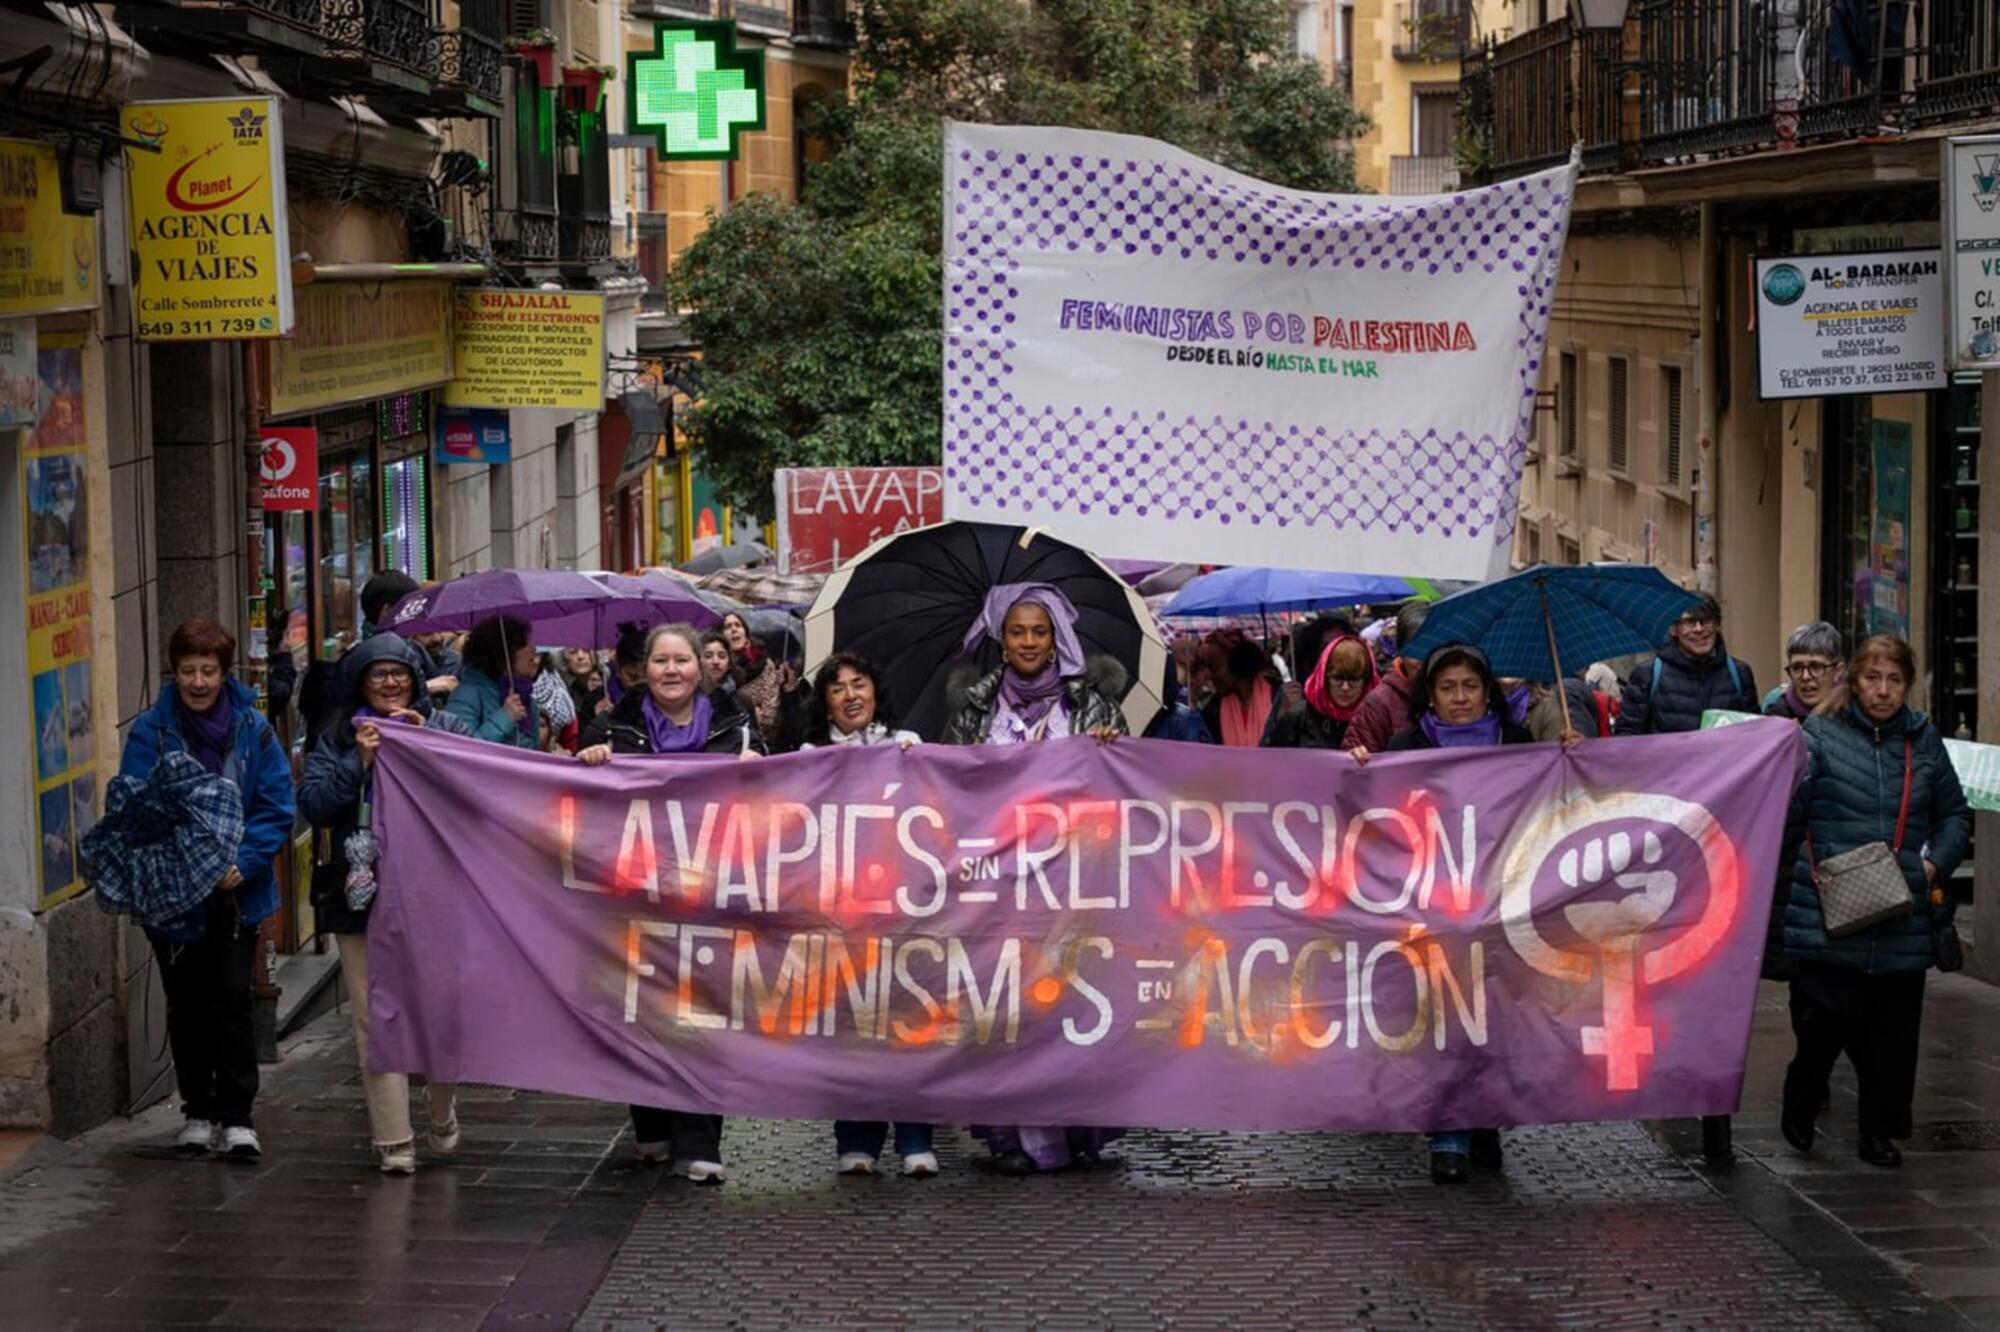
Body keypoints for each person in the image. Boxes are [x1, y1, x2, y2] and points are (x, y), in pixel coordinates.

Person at [942, 585, 1125, 1174]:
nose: (1028, 642)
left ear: (1056, 640)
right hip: (998, 891)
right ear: (1002, 639)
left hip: (1070, 885)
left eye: (1039, 632)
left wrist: (1108, 748)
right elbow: (946, 792)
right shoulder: (973, 710)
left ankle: (1071, 1129)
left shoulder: (1090, 705)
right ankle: (1010, 1138)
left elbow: (1123, 788)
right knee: (1004, 1010)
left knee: (1064, 1006)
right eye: (1017, 632)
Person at [578, 624, 766, 1181]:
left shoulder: (736, 723)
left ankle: (700, 1143)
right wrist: (589, 758)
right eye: (660, 661)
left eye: (681, 660)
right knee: (644, 1012)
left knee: (703, 1018)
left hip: (712, 896)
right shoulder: (614, 723)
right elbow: (575, 797)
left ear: (703, 667)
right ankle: (653, 1126)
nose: (671, 670)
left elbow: (780, 791)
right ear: (646, 668)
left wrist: (760, 767)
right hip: (638, 897)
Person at [1776, 636, 1970, 1169]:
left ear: (1908, 685)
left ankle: (1878, 1133)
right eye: (1872, 679)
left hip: (1902, 906)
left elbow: (1955, 815)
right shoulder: (1819, 734)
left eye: (1895, 681)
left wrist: (1935, 864)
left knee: (1892, 1032)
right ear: (1854, 680)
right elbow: (1789, 814)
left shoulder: (1923, 739)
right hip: (1829, 906)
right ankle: (1801, 1093)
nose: (1883, 691)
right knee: (1824, 1019)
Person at [117, 619, 295, 1160]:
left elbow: (276, 803)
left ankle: (238, 1116)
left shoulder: (252, 728)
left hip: (237, 892)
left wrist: (243, 860)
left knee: (232, 999)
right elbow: (135, 804)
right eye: (189, 671)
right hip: (175, 894)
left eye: (209, 671)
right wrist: (182, 855)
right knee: (186, 1001)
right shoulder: (152, 730)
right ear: (176, 672)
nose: (198, 682)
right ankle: (197, 1109)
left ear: (225, 672)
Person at [1358, 642, 1534, 1185]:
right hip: (1433, 910)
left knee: (1491, 1023)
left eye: (1470, 687)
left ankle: (1484, 1123)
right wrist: (1363, 770)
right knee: (1443, 1022)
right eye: (1448, 688)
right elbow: (1377, 816)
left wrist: (1569, 756)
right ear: (1430, 695)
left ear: (1488, 693)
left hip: (1501, 905)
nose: (1460, 699)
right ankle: (1449, 1134)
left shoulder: (1518, 744)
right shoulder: (1408, 746)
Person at [297, 635, 473, 1174]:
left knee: (440, 1008)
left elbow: (476, 791)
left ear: (417, 679)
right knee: (374, 1017)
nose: (391, 683)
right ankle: (393, 1139)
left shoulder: (445, 729)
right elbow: (314, 805)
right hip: (360, 892)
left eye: (400, 672)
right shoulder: (334, 737)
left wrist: (432, 751)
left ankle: (441, 1111)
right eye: (378, 674)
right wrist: (359, 762)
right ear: (359, 682)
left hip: (434, 892)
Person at [794, 653, 933, 1175]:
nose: (851, 695)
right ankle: (857, 1139)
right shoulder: (808, 757)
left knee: (911, 1025)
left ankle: (916, 1137)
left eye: (860, 683)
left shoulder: (909, 746)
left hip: (904, 913)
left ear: (876, 691)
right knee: (851, 1029)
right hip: (842, 917)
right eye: (837, 688)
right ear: (824, 700)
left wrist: (916, 761)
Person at [1613, 594, 1759, 735]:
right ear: (1674, 630)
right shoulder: (1648, 675)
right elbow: (1627, 737)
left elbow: (1755, 734)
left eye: (1706, 620)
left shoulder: (1739, 674)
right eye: (1689, 622)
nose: (1699, 629)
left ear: (1718, 625)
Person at [1265, 634, 1378, 750]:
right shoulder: (1298, 717)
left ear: (1366, 681)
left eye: (1354, 679)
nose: (1345, 687)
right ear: (1324, 678)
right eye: (1337, 678)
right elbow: (1273, 760)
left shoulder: (1378, 721)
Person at [1346, 601, 1431, 753]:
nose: (1422, 658)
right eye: (1415, 648)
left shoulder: (1458, 697)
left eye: (1429, 646)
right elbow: (1353, 770)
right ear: (1400, 650)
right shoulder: (1378, 704)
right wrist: (1357, 758)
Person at [443, 615, 539, 749]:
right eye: (523, 643)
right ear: (501, 653)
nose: (533, 649)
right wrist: (505, 718)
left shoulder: (527, 701)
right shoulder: (467, 695)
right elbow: (458, 749)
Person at [1199, 629, 1279, 748]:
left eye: (1214, 667)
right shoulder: (1211, 711)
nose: (1209, 676)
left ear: (1238, 663)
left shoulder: (1279, 697)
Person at [720, 611, 786, 750]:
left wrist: (756, 719)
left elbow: (771, 709)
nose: (734, 629)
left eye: (738, 625)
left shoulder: (763, 664)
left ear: (746, 633)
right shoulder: (717, 667)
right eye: (728, 626)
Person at [1765, 621, 1843, 721]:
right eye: (1797, 667)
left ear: (1838, 671)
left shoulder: (1856, 715)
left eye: (1816, 667)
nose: (1805, 676)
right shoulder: (1777, 716)